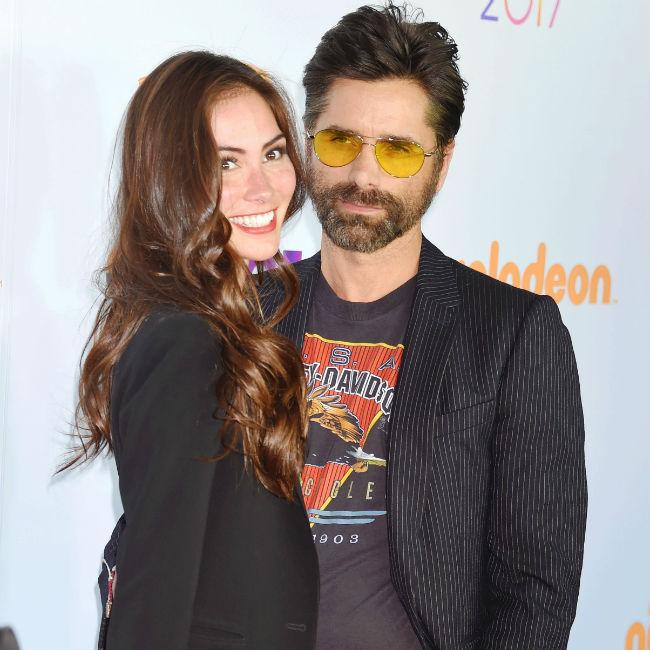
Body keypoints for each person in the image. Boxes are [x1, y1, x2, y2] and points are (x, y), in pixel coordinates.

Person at [260, 4, 588, 649]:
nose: (364, 175)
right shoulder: (246, 314)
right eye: (339, 141)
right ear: (307, 141)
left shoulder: (513, 333)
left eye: (399, 151)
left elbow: (536, 591)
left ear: (442, 162)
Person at [64, 51, 318, 650]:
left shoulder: (217, 322)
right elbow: (155, 593)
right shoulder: (184, 339)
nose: (263, 187)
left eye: (273, 153)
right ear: (171, 178)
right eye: (226, 163)